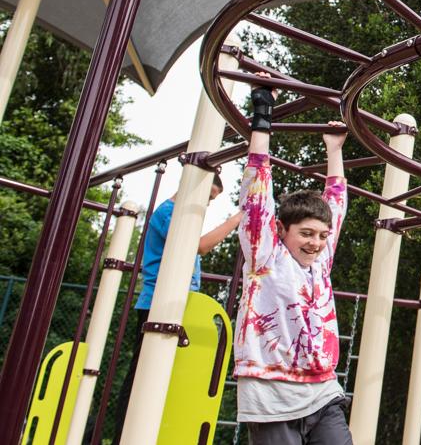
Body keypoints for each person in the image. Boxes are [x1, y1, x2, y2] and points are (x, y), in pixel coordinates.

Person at [234, 77, 351, 445]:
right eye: (306, 234)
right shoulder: (265, 254)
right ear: (282, 229)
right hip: (271, 391)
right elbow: (257, 187)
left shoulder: (320, 262)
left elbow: (336, 205)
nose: (315, 243)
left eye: (320, 235)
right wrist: (262, 115)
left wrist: (334, 151)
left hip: (321, 388)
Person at [106, 178, 241, 444]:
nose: (207, 202)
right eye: (208, 195)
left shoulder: (181, 217)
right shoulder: (168, 213)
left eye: (212, 199)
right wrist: (237, 218)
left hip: (178, 302)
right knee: (141, 374)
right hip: (157, 303)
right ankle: (125, 435)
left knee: (167, 375)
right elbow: (199, 246)